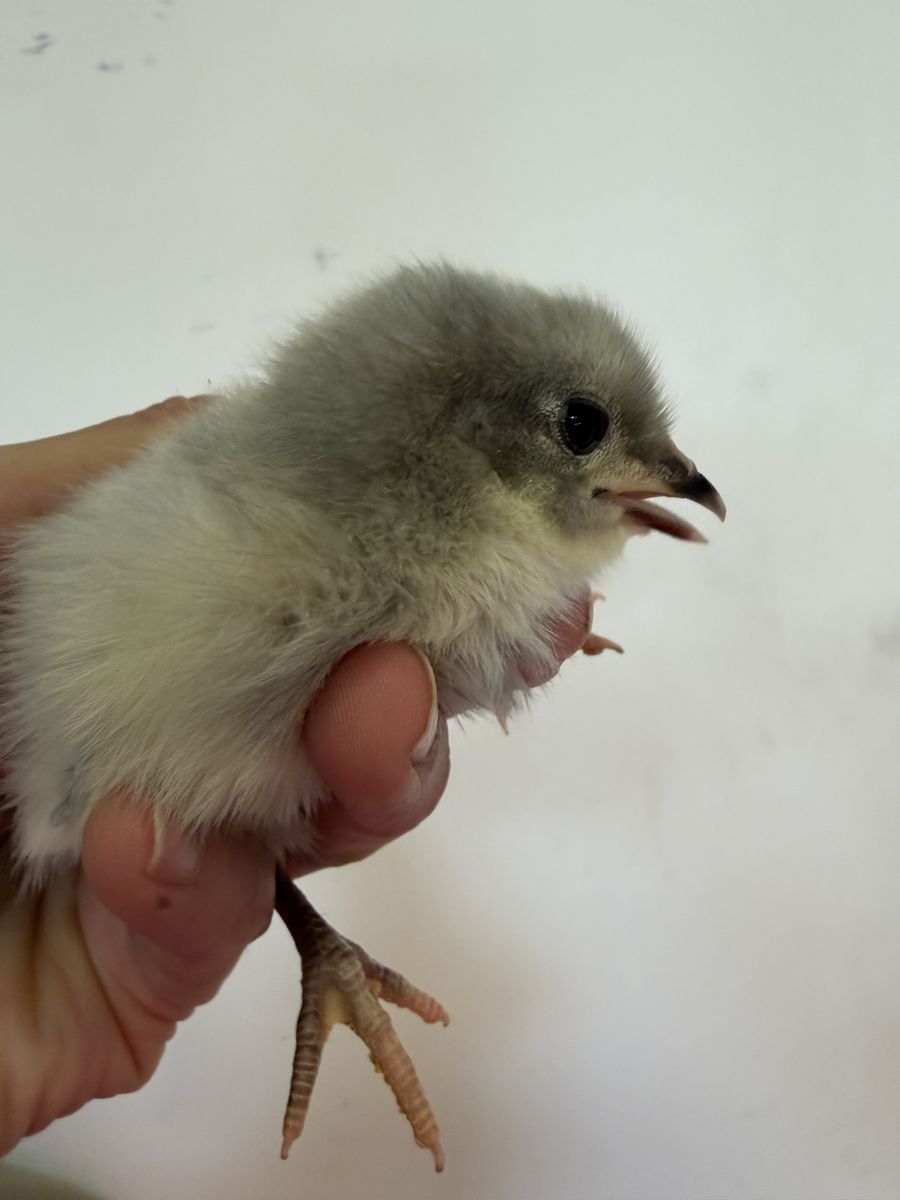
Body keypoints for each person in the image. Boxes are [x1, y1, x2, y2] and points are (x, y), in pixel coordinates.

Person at [0, 397, 587, 1155]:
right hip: (74, 761)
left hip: (89, 823)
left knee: (228, 806)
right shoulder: (304, 498)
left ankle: (317, 940)